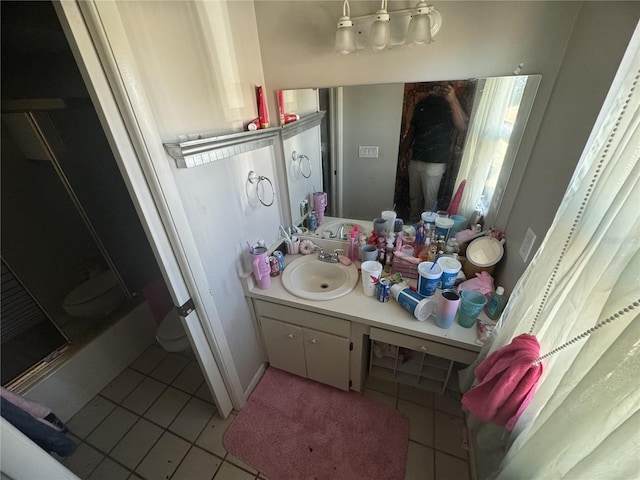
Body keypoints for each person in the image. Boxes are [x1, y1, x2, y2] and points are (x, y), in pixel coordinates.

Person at [399, 83, 468, 222]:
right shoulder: (422, 103)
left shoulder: (454, 103)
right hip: (416, 159)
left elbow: (462, 126)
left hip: (435, 162)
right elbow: (412, 131)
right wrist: (402, 154)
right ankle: (412, 225)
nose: (439, 88)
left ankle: (425, 231)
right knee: (414, 198)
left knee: (429, 202)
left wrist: (452, 99)